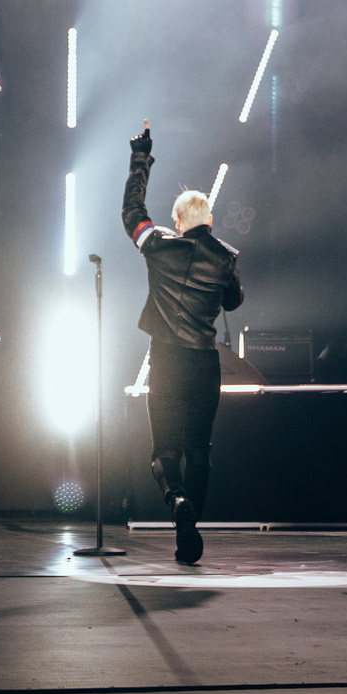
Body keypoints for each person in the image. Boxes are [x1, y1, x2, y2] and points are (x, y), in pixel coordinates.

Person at [122, 122, 243, 565]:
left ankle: (175, 500)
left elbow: (131, 213)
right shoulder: (227, 259)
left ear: (177, 222)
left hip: (167, 360)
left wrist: (141, 158)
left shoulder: (159, 246)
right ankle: (190, 525)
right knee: (199, 450)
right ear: (208, 220)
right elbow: (234, 300)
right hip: (204, 363)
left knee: (165, 450)